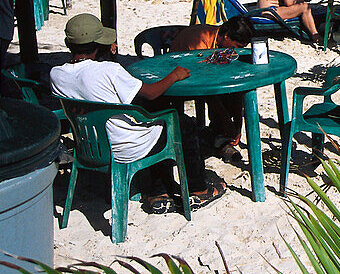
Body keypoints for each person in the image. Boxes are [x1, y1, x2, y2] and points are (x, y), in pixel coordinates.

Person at [50, 14, 225, 214]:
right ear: (99, 44)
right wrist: (174, 75)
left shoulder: (57, 75)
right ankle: (199, 189)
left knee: (157, 120)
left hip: (91, 147)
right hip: (126, 146)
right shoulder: (109, 70)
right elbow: (151, 93)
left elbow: (91, 86)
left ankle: (158, 193)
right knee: (180, 124)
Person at [170, 16, 255, 162]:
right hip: (181, 79)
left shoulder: (222, 42)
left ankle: (221, 137)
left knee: (234, 88)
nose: (236, 51)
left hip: (203, 76)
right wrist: (227, 120)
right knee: (220, 95)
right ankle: (220, 137)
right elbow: (204, 87)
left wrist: (237, 122)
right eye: (236, 46)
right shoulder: (199, 41)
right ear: (227, 36)